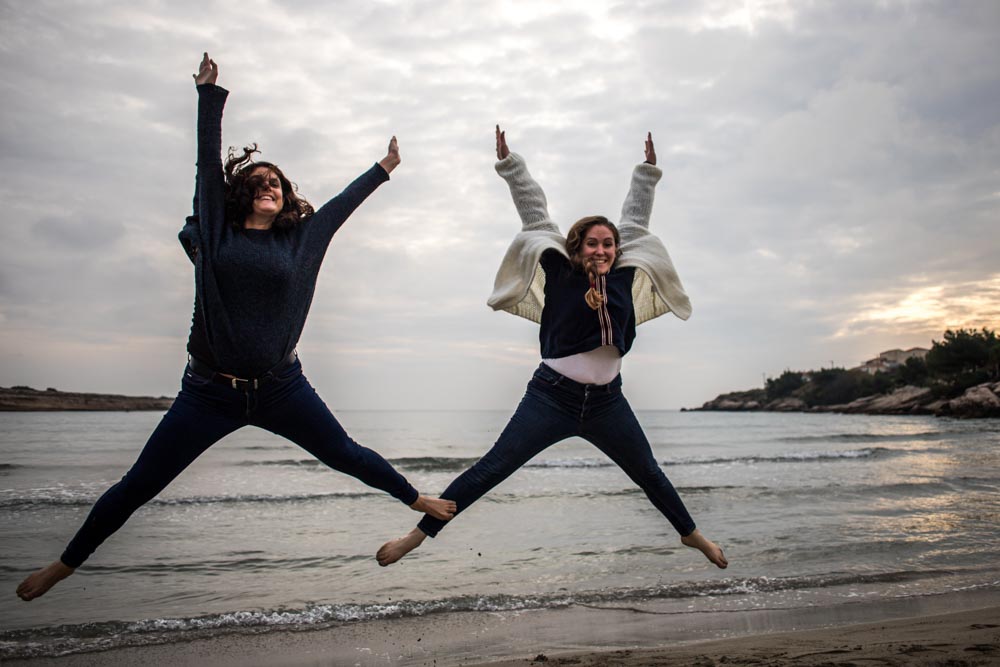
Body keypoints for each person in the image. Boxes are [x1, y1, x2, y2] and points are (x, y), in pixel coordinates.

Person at [16, 53, 455, 602]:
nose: (267, 184)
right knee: (138, 486)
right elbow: (206, 166)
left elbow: (341, 206)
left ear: (286, 192)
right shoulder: (216, 236)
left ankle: (415, 501)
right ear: (240, 195)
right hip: (208, 392)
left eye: (275, 180)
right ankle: (65, 564)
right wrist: (207, 95)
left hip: (280, 387)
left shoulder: (302, 239)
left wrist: (383, 167)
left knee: (344, 452)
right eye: (256, 181)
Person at [377, 127, 727, 569]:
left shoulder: (623, 273)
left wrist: (648, 172)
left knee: (648, 473)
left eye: (608, 243)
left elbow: (636, 218)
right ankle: (417, 535)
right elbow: (535, 214)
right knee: (494, 468)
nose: (601, 249)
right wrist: (510, 165)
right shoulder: (560, 269)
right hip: (551, 398)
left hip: (606, 403)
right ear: (577, 246)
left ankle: (692, 535)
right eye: (592, 243)